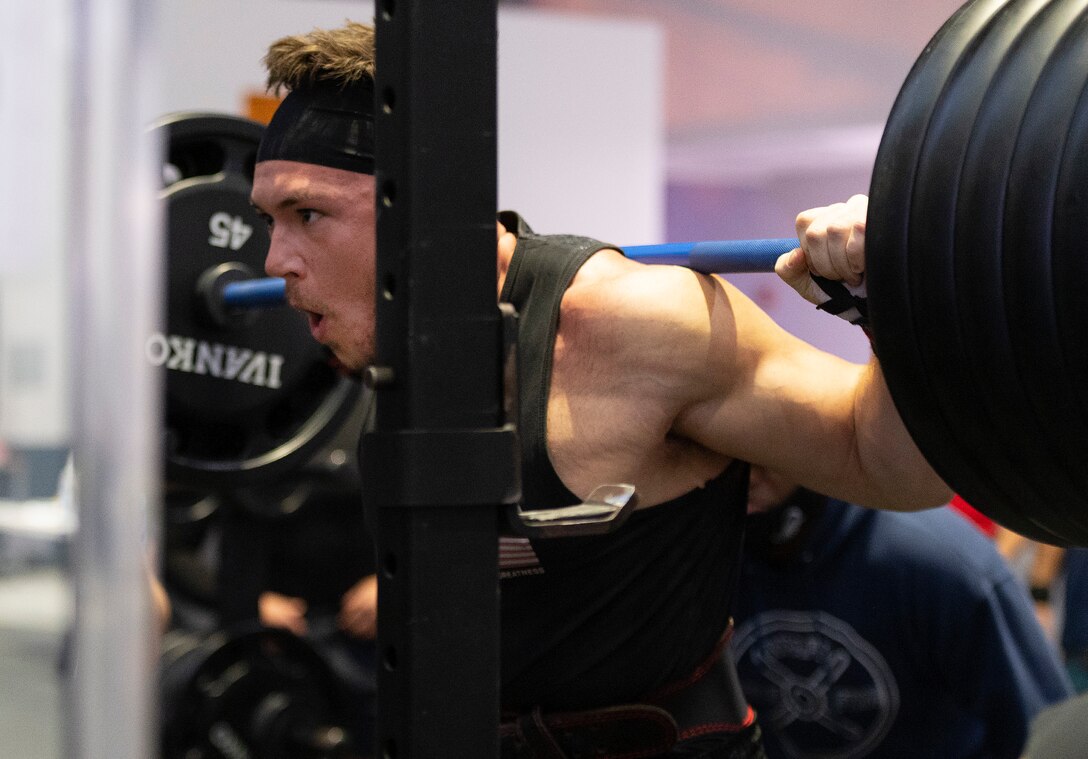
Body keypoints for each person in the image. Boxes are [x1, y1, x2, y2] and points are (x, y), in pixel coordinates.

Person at [249, 21, 951, 758]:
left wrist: (894, 308)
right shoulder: (397, 348)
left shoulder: (639, 320)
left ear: (425, 204)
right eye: (270, 220)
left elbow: (899, 471)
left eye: (309, 215)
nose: (275, 261)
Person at [732, 466, 1073, 759]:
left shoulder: (939, 562)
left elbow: (1048, 730)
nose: (742, 471)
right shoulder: (702, 553)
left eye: (752, 445)